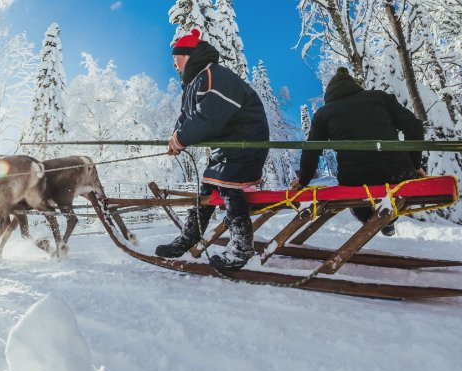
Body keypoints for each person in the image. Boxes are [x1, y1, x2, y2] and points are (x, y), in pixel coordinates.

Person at [156, 28, 270, 270]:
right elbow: (187, 118)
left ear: (186, 56)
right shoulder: (194, 83)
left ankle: (241, 248)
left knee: (229, 188)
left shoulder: (214, 75)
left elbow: (209, 118)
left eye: (175, 59)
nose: (174, 65)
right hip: (227, 148)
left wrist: (183, 138)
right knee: (206, 189)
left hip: (246, 143)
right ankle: (189, 236)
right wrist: (175, 138)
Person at [291, 67, 426, 236]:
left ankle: (376, 223)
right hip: (398, 173)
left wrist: (303, 180)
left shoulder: (324, 113)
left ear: (329, 93)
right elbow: (415, 127)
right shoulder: (380, 98)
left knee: (358, 203)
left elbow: (311, 149)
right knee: (391, 194)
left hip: (355, 180)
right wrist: (414, 164)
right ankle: (387, 224)